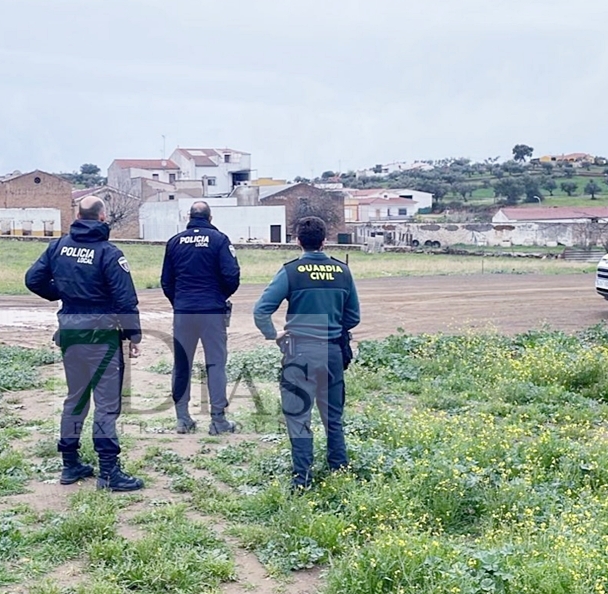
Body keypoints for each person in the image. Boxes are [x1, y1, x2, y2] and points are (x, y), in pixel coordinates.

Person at [25, 195, 144, 492]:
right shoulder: (109, 253)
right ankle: (108, 472)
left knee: (75, 398)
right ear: (103, 218)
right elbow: (125, 299)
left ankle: (70, 464)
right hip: (101, 336)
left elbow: (33, 279)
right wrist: (133, 335)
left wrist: (61, 292)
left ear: (77, 215)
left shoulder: (58, 246)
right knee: (106, 404)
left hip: (69, 332)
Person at [253, 216, 360, 490]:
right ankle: (339, 470)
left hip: (299, 353)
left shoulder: (291, 271)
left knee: (299, 417)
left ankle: (302, 479)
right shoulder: (343, 271)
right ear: (325, 240)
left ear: (298, 240)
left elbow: (261, 310)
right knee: (333, 417)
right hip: (333, 352)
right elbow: (354, 317)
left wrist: (272, 334)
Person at [161, 201, 241, 435]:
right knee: (215, 364)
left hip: (184, 311)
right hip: (212, 311)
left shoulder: (174, 242)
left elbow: (166, 281)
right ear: (210, 217)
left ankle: (182, 419)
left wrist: (179, 301)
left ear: (189, 216)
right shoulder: (220, 240)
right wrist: (219, 296)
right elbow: (232, 275)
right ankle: (218, 420)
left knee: (182, 364)